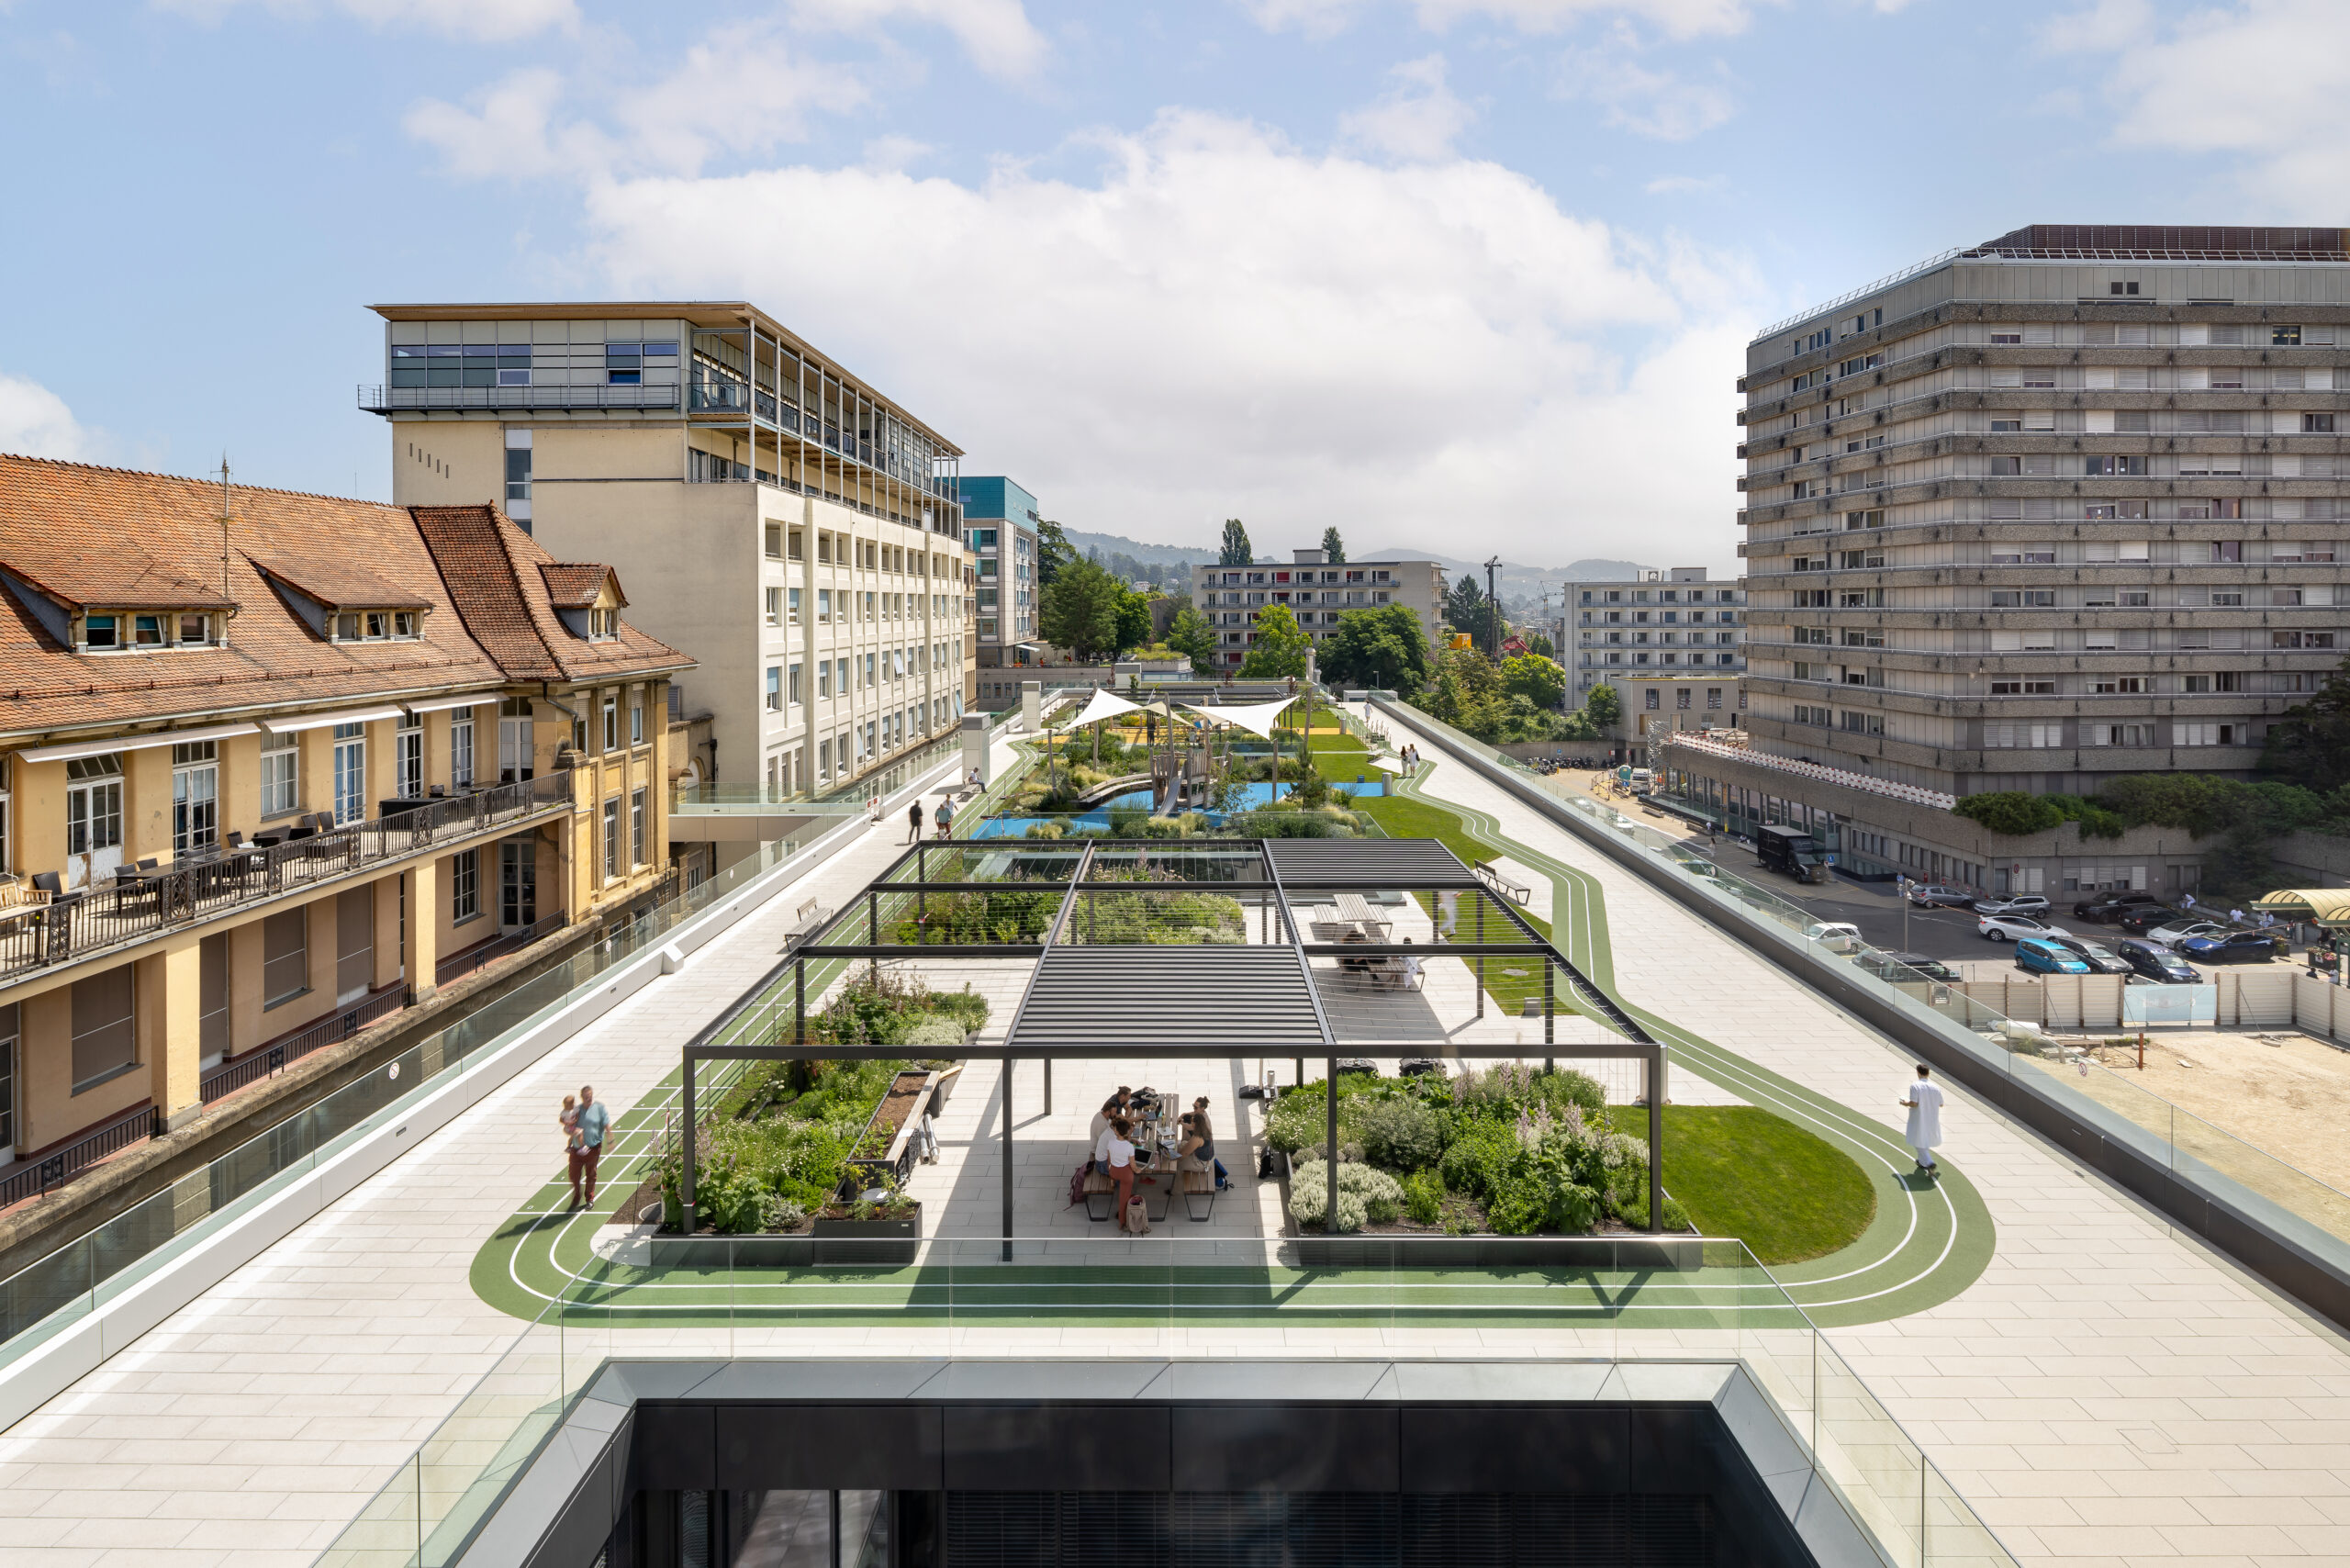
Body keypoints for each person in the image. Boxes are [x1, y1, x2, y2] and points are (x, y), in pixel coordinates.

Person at [570, 1084, 610, 1209]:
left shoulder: (599, 1108)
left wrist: (611, 1139)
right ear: (581, 1097)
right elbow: (569, 1126)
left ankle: (589, 1198)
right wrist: (572, 1130)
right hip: (577, 1148)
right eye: (586, 1097)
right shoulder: (577, 1111)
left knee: (591, 1174)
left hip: (593, 1147)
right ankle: (577, 1194)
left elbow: (606, 1123)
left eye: (590, 1096)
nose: (588, 1098)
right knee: (573, 1174)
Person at [1898, 1065, 1942, 1178]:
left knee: (1917, 1139)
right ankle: (1923, 1163)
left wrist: (1904, 1103)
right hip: (1932, 1117)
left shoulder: (1915, 1086)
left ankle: (1929, 1162)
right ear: (1928, 1073)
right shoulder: (1936, 1087)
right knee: (1923, 1139)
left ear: (1918, 1072)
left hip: (1919, 1117)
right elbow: (1941, 1104)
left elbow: (1914, 1103)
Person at [1102, 1116, 1143, 1231]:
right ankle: (1122, 1222)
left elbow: (1109, 1160)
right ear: (1126, 1131)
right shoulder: (1129, 1147)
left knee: (1116, 1174)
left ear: (1116, 1131)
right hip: (1125, 1175)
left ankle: (1112, 1180)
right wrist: (1138, 1170)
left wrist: (1111, 1172)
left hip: (1113, 1171)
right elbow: (1133, 1166)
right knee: (1123, 1199)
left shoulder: (1110, 1142)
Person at [1188, 1096, 1231, 1189]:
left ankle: (1219, 1181)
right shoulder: (1201, 1113)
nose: (1194, 1109)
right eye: (1193, 1106)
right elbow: (1193, 1113)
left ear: (1202, 1108)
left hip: (1205, 1149)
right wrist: (1185, 1114)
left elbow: (1203, 1141)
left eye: (1196, 1107)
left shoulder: (1205, 1122)